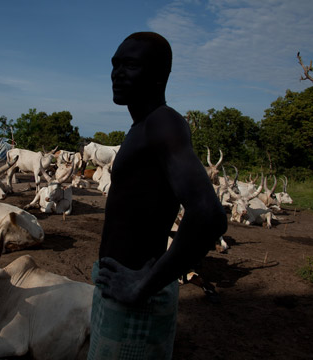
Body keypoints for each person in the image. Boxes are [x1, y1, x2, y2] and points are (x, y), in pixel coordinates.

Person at [88, 32, 228, 359]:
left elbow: (210, 216)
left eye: (131, 64)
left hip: (135, 301)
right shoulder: (142, 127)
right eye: (115, 64)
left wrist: (143, 285)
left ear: (159, 75)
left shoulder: (163, 122)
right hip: (120, 292)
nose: (117, 73)